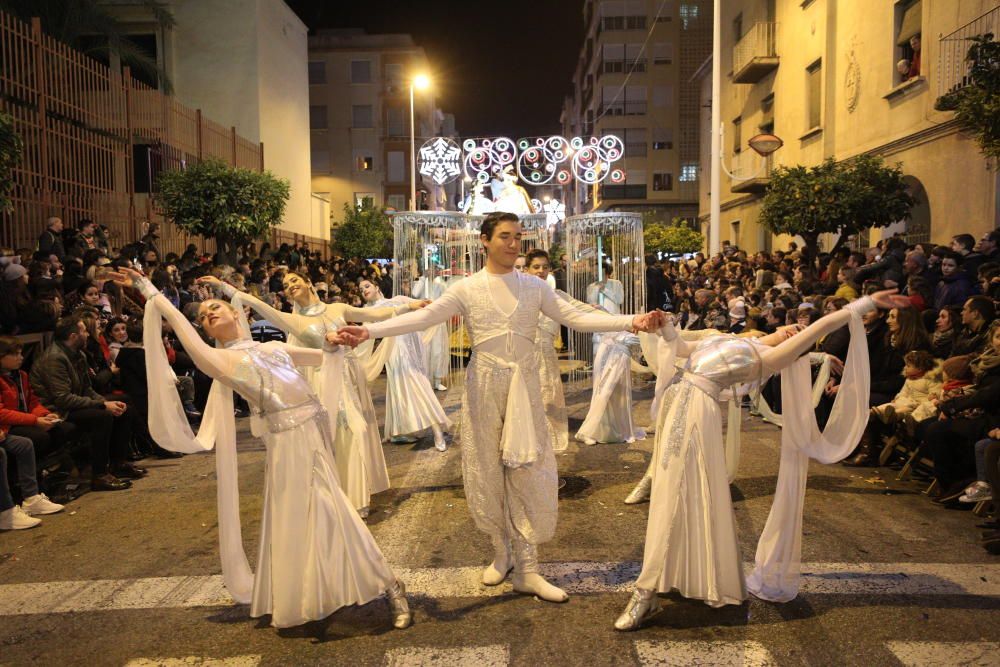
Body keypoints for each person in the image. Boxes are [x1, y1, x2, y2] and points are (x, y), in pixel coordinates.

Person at [331, 212, 665, 604]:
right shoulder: (467, 288)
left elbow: (576, 317)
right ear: (485, 241)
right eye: (505, 236)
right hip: (483, 386)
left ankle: (528, 568)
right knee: (486, 467)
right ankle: (501, 552)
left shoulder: (534, 287)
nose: (513, 243)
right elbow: (424, 316)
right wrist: (368, 331)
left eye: (518, 237)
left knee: (527, 469)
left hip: (524, 385)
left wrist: (632, 321)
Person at [107, 267, 411, 630]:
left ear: (237, 313)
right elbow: (181, 327)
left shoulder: (274, 347)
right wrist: (147, 288)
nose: (209, 314)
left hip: (313, 434)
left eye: (215, 308)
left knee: (326, 512)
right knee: (318, 514)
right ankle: (376, 586)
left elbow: (324, 357)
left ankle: (377, 584)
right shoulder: (219, 360)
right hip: (287, 442)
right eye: (203, 317)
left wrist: (337, 339)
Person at [613, 289, 908, 631]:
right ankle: (679, 577)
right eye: (790, 328)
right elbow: (678, 349)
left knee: (677, 496)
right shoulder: (725, 339)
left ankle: (645, 593)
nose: (793, 330)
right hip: (676, 409)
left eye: (798, 337)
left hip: (698, 415)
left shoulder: (768, 359)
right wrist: (664, 327)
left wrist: (864, 304)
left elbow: (821, 326)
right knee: (671, 496)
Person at [197, 271, 423, 517]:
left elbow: (375, 314)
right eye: (285, 285)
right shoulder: (293, 321)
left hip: (351, 376)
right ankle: (339, 496)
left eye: (294, 280)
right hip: (325, 381)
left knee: (357, 432)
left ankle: (357, 496)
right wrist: (224, 287)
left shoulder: (337, 308)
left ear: (308, 283)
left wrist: (411, 306)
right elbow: (256, 303)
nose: (290, 285)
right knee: (337, 433)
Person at [29, 316, 141, 491]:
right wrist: (103, 406)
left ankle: (118, 463)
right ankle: (99, 475)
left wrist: (104, 401)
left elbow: (87, 389)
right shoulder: (54, 359)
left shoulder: (78, 354)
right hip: (57, 410)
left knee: (123, 406)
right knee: (102, 415)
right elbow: (62, 399)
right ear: (73, 336)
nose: (88, 334)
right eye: (84, 331)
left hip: (73, 403)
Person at [358, 278, 449, 451]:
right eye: (361, 289)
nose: (364, 290)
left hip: (409, 349)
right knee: (398, 389)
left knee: (418, 385)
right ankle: (396, 431)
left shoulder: (397, 299)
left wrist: (431, 306)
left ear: (377, 286)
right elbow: (365, 337)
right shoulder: (367, 312)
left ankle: (438, 431)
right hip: (392, 352)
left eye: (367, 286)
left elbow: (421, 307)